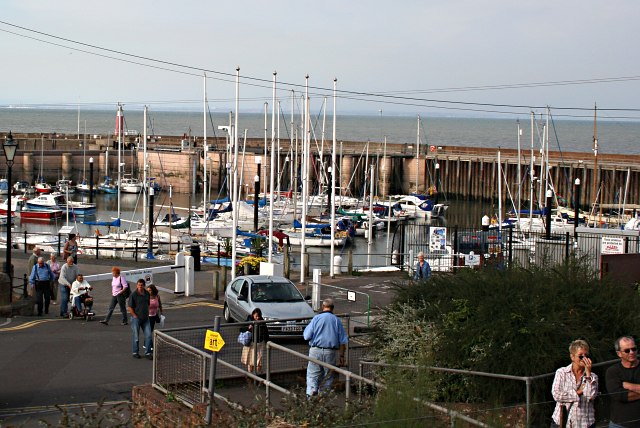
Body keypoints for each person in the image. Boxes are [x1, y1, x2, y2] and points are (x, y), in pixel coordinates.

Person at [303, 297, 348, 396]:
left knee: (312, 376)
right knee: (328, 378)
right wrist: (341, 357)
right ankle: (323, 399)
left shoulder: (316, 318)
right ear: (333, 308)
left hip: (315, 350)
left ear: (323, 306)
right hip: (330, 352)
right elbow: (343, 342)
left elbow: (306, 336)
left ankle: (311, 397)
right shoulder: (337, 321)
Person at [551, 339, 598, 428]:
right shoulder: (561, 372)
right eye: (580, 356)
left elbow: (590, 396)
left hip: (584, 424)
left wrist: (588, 375)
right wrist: (578, 392)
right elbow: (556, 395)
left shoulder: (593, 377)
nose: (584, 359)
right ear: (572, 357)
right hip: (562, 422)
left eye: (586, 355)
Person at [606, 336, 640, 427]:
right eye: (627, 350)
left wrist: (630, 386)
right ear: (619, 354)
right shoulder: (612, 371)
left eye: (634, 349)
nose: (632, 352)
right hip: (620, 424)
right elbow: (619, 395)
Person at [128, 279, 152, 360]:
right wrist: (134, 316)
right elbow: (130, 307)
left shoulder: (147, 294)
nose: (140, 287)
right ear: (137, 285)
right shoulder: (133, 295)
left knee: (148, 336)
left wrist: (147, 313)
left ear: (144, 285)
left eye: (141, 285)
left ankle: (148, 353)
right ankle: (135, 352)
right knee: (136, 337)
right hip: (136, 319)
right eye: (138, 285)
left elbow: (148, 304)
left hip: (146, 318)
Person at [241, 308, 269, 373]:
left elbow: (266, 332)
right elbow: (241, 329)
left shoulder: (262, 322)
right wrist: (248, 328)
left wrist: (267, 341)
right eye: (256, 316)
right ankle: (250, 376)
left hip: (260, 343)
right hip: (251, 343)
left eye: (259, 316)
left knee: (259, 361)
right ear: (253, 314)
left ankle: (258, 376)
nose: (257, 317)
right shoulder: (249, 320)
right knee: (250, 362)